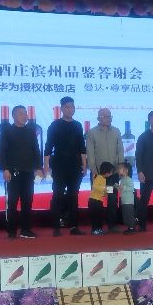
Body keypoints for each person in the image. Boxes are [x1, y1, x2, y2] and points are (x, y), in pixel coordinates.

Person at [0, 104, 44, 239]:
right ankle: (11, 230)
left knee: (27, 201)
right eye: (21, 113)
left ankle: (26, 230)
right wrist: (5, 169)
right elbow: (2, 152)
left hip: (28, 171)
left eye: (25, 113)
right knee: (12, 202)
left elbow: (36, 150)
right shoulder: (7, 131)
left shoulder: (30, 131)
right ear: (13, 116)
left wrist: (38, 168)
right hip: (13, 172)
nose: (25, 116)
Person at [44, 95, 87, 236]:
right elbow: (48, 147)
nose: (70, 109)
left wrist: (84, 165)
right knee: (57, 195)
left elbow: (82, 147)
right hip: (59, 165)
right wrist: (46, 166)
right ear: (62, 109)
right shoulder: (55, 125)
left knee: (73, 196)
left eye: (72, 107)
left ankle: (74, 226)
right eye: (67, 107)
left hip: (75, 165)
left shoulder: (78, 125)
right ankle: (56, 227)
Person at [86, 108, 124, 232]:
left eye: (109, 116)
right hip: (99, 174)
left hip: (113, 174)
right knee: (97, 200)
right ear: (98, 118)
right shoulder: (91, 133)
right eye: (105, 117)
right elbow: (90, 154)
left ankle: (112, 225)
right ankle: (96, 227)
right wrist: (94, 171)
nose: (108, 119)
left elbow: (120, 150)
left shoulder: (116, 131)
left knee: (112, 198)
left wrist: (121, 168)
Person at [88, 162, 114, 235]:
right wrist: (106, 189)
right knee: (95, 216)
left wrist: (106, 193)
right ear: (107, 172)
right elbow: (95, 186)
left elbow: (104, 190)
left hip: (99, 201)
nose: (111, 173)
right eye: (111, 171)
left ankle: (98, 229)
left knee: (100, 216)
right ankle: (94, 230)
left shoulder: (104, 179)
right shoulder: (99, 177)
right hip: (94, 201)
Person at [117, 162, 136, 235]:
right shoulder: (122, 180)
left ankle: (132, 228)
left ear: (126, 170)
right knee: (125, 216)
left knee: (129, 215)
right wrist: (117, 187)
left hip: (128, 201)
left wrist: (123, 188)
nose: (118, 170)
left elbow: (131, 188)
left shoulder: (129, 179)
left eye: (120, 168)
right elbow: (121, 189)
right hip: (124, 201)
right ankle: (129, 227)